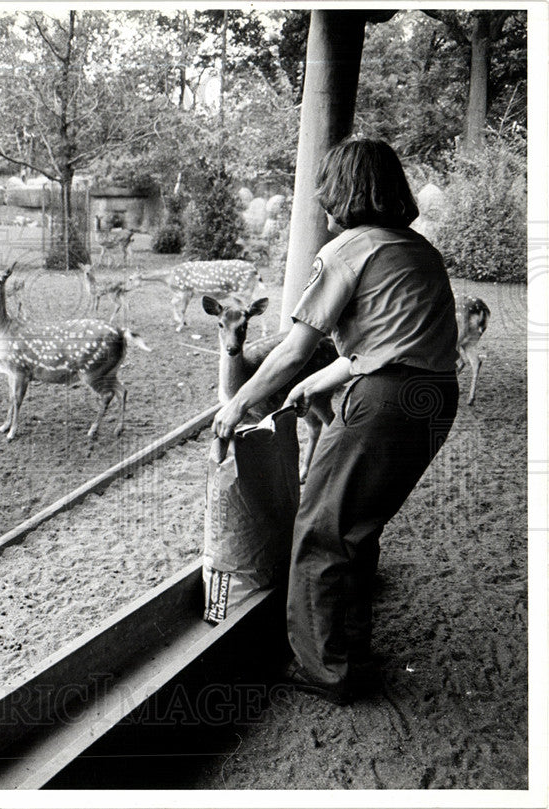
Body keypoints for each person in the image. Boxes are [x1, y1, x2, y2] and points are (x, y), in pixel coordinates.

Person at [212, 138, 460, 705]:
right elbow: (388, 342)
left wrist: (237, 403)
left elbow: (295, 348)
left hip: (385, 403)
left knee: (322, 529)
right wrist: (315, 384)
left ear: (343, 192)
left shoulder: (348, 249)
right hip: (433, 399)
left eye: (327, 188)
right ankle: (349, 647)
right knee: (357, 523)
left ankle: (323, 670)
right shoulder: (415, 249)